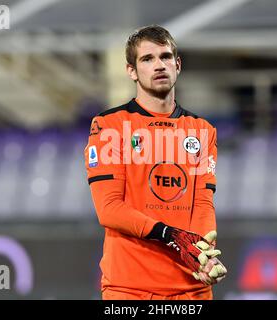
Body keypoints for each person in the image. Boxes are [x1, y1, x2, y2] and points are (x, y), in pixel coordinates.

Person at [84, 25, 227, 300]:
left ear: (178, 64)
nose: (158, 65)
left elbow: (203, 204)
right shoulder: (109, 126)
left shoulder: (202, 130)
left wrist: (204, 256)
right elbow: (109, 209)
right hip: (130, 290)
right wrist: (170, 233)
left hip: (193, 289)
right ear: (132, 71)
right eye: (147, 59)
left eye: (165, 56)